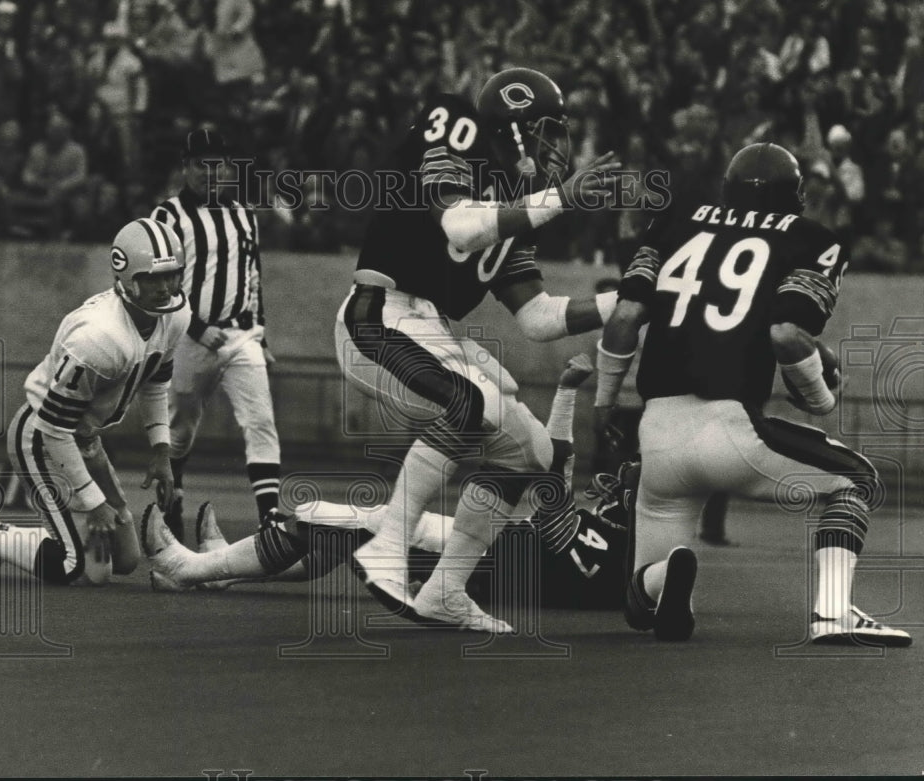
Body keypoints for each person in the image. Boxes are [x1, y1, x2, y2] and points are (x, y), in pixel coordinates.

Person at [336, 66, 623, 633]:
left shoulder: (517, 208)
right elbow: (461, 229)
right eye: (547, 130)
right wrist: (560, 199)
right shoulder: (455, 132)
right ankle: (387, 546)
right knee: (471, 403)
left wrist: (635, 300)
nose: (559, 146)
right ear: (514, 130)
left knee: (531, 452)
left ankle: (446, 589)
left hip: (431, 329)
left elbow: (538, 319)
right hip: (379, 314)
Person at [594, 141, 911, 647]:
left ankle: (666, 576)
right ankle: (832, 613)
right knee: (856, 482)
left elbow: (626, 317)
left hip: (657, 436)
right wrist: (822, 398)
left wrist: (603, 403)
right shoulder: (813, 240)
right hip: (732, 431)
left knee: (642, 601)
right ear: (794, 195)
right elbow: (786, 334)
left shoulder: (675, 222)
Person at [141, 354, 629, 612]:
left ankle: (188, 570)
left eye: (625, 487)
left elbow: (555, 469)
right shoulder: (615, 551)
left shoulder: (606, 542)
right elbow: (558, 477)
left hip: (476, 560)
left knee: (322, 521)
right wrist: (565, 390)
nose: (614, 485)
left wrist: (566, 391)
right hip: (488, 550)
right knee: (345, 532)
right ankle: (223, 569)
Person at [0, 218, 188, 585]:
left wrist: (161, 450)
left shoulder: (175, 315)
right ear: (126, 277)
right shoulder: (99, 339)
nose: (165, 287)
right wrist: (94, 501)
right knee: (74, 567)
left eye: (171, 275)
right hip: (41, 434)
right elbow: (54, 427)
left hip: (84, 437)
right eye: (153, 278)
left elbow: (156, 381)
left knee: (123, 560)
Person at [151, 128, 280, 541]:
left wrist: (262, 336)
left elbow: (253, 277)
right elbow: (159, 286)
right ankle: (173, 497)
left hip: (241, 336)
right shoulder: (167, 217)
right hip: (189, 338)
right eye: (200, 165)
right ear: (185, 168)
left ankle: (271, 518)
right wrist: (197, 327)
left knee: (260, 422)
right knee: (180, 430)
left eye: (216, 165)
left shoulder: (243, 213)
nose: (209, 173)